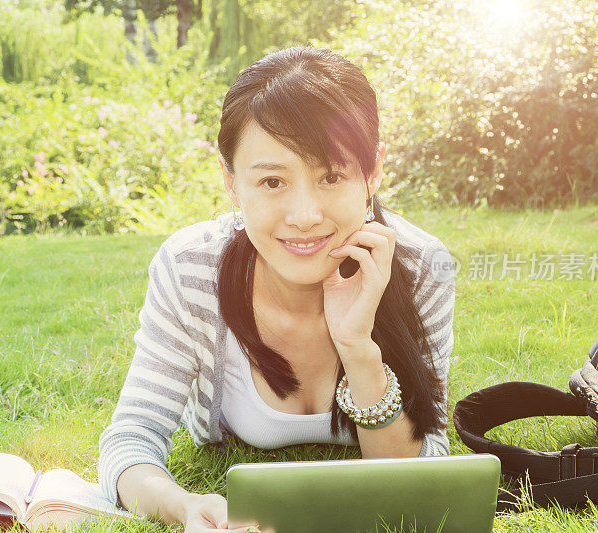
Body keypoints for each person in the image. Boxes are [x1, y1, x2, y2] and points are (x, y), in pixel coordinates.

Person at [98, 45, 456, 533]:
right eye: (272, 182)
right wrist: (183, 506)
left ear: (371, 175)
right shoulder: (190, 267)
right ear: (231, 183)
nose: (305, 215)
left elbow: (425, 470)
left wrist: (359, 351)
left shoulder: (420, 266)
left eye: (331, 176)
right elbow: (131, 438)